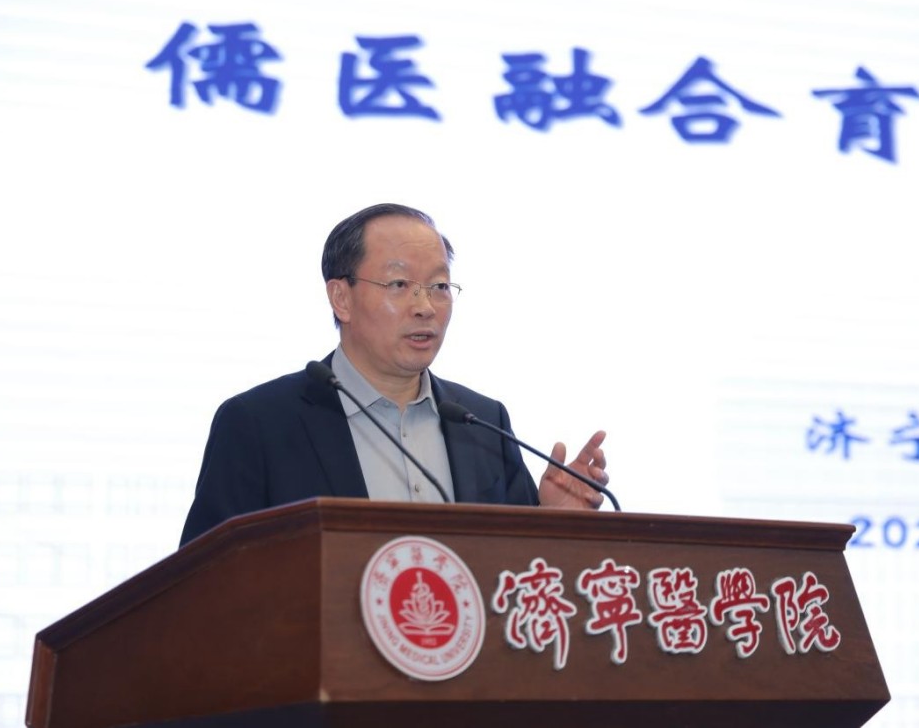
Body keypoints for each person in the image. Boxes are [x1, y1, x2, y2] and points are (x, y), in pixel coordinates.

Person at [180, 203, 609, 546]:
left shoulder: (483, 422)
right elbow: (207, 583)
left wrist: (552, 522)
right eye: (400, 285)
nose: (425, 307)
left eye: (440, 287)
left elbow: (511, 579)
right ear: (341, 298)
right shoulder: (259, 423)